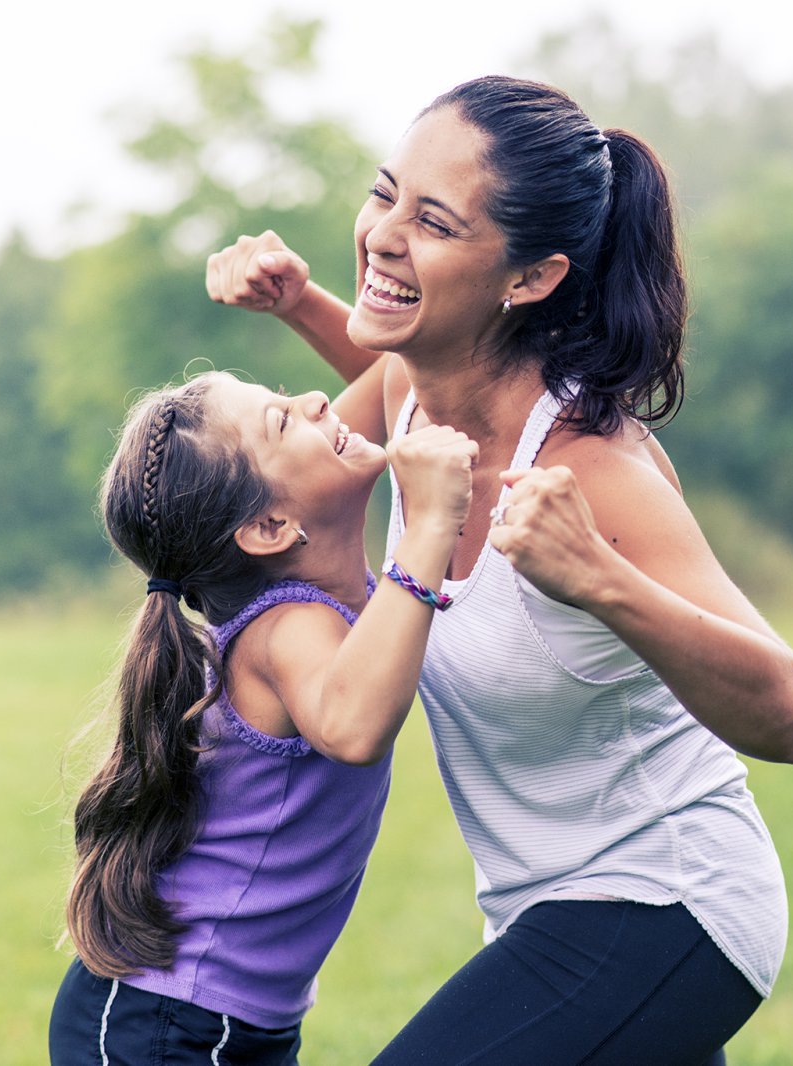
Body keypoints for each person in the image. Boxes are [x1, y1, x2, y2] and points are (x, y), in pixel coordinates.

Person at [205, 74, 793, 1064]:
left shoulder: (591, 470)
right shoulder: (408, 397)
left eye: (434, 221)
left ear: (528, 278)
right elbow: (334, 437)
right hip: (542, 909)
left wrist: (601, 582)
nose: (383, 232)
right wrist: (302, 302)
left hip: (666, 901)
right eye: (384, 192)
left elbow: (786, 716)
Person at [48, 370, 478, 1065]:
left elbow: (400, 369)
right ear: (270, 527)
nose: (317, 401)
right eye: (283, 418)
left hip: (210, 1018)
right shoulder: (287, 628)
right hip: (171, 1023)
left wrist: (299, 299)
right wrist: (429, 526)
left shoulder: (313, 598)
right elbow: (354, 727)